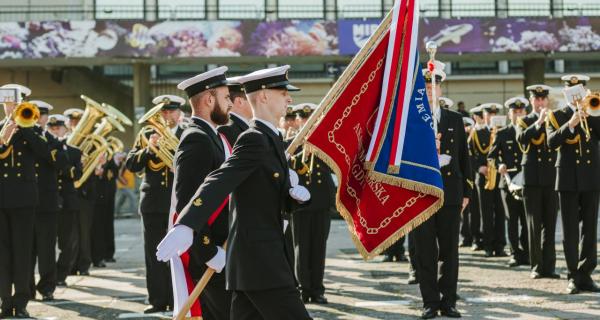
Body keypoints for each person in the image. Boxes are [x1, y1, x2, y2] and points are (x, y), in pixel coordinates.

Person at [157, 65, 313, 319]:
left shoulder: (270, 137)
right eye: (282, 92)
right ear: (263, 96)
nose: (289, 98)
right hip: (261, 263)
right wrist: (187, 224)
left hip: (256, 262)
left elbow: (257, 194)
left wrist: (290, 197)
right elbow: (219, 180)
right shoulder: (254, 138)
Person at [171, 67, 235, 319]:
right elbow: (187, 202)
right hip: (211, 255)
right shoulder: (196, 138)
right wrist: (208, 252)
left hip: (224, 249)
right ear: (210, 99)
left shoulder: (214, 136)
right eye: (226, 97)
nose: (230, 103)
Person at [414, 63, 471, 319]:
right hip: (423, 193)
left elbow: (464, 157)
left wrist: (467, 192)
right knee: (425, 250)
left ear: (440, 88)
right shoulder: (412, 119)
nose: (429, 92)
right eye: (425, 88)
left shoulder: (454, 119)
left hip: (450, 191)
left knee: (449, 250)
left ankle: (448, 301)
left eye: (433, 87)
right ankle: (430, 302)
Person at [125, 94, 186, 313]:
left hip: (178, 201)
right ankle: (157, 300)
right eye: (164, 112)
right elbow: (131, 164)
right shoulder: (146, 134)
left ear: (179, 113)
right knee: (153, 253)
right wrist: (149, 149)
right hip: (152, 202)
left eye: (171, 111)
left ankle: (177, 298)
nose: (167, 116)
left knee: (178, 253)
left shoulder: (187, 133)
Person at [546, 74, 600, 294]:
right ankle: (573, 275)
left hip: (591, 177)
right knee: (570, 230)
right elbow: (551, 142)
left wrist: (592, 113)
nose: (577, 93)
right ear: (566, 91)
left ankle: (586, 274)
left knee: (590, 228)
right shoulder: (556, 115)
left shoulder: (594, 111)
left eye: (581, 89)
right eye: (572, 89)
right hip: (567, 179)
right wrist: (571, 123)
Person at [0, 84, 49, 318]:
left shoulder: (34, 131)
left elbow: (44, 153)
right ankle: (4, 301)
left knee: (22, 253)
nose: (10, 107)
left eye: (15, 103)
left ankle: (20, 303)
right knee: (2, 254)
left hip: (24, 200)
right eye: (7, 102)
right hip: (1, 200)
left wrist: (24, 127)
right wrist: (3, 138)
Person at [288, 103, 335, 304]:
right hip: (299, 204)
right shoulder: (290, 144)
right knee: (301, 246)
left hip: (322, 202)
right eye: (303, 119)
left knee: (318, 247)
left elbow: (334, 168)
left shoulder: (326, 143)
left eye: (311, 119)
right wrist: (301, 155)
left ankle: (317, 288)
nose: (307, 123)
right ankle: (303, 288)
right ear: (298, 121)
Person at [515, 84, 559, 279]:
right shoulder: (524, 120)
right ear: (531, 100)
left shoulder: (555, 119)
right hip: (532, 178)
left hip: (551, 177)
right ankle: (536, 266)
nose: (540, 102)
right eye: (536, 99)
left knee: (550, 224)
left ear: (547, 100)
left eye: (543, 99)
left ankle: (550, 267)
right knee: (534, 224)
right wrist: (539, 123)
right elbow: (522, 139)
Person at [28, 100, 69, 302]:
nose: (38, 119)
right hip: (25, 202)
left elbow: (62, 162)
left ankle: (47, 287)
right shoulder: (24, 136)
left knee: (46, 249)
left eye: (40, 115)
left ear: (45, 117)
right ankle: (27, 288)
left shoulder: (52, 140)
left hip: (47, 202)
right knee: (26, 249)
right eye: (34, 114)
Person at [488, 97, 529, 267]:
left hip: (527, 181)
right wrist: (500, 164)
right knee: (511, 219)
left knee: (527, 220)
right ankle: (514, 253)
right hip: (508, 183)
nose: (518, 114)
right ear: (509, 114)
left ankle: (527, 252)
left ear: (525, 113)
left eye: (520, 111)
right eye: (514, 112)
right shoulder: (503, 133)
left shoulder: (531, 130)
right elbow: (491, 156)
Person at [49, 114, 83, 287]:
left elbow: (77, 174)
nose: (55, 131)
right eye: (52, 128)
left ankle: (60, 274)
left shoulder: (75, 152)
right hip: (48, 201)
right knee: (47, 243)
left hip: (68, 202)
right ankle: (48, 275)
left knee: (67, 242)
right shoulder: (43, 149)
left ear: (65, 129)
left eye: (58, 128)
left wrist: (62, 165)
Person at [471, 103, 507, 258]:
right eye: (489, 115)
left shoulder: (502, 132)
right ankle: (487, 245)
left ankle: (500, 246)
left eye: (494, 114)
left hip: (499, 177)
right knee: (486, 214)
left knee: (500, 213)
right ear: (484, 116)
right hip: (484, 177)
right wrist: (478, 168)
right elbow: (468, 155)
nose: (492, 117)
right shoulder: (476, 133)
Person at [64, 107, 96, 276]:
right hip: (68, 193)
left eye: (78, 121)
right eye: (72, 121)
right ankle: (70, 265)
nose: (75, 124)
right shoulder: (62, 141)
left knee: (84, 232)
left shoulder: (89, 143)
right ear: (67, 123)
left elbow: (93, 165)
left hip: (83, 192)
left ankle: (83, 265)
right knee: (69, 234)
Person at [218, 77, 252, 146]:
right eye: (251, 99)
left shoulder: (243, 126)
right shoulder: (227, 129)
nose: (255, 103)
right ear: (239, 101)